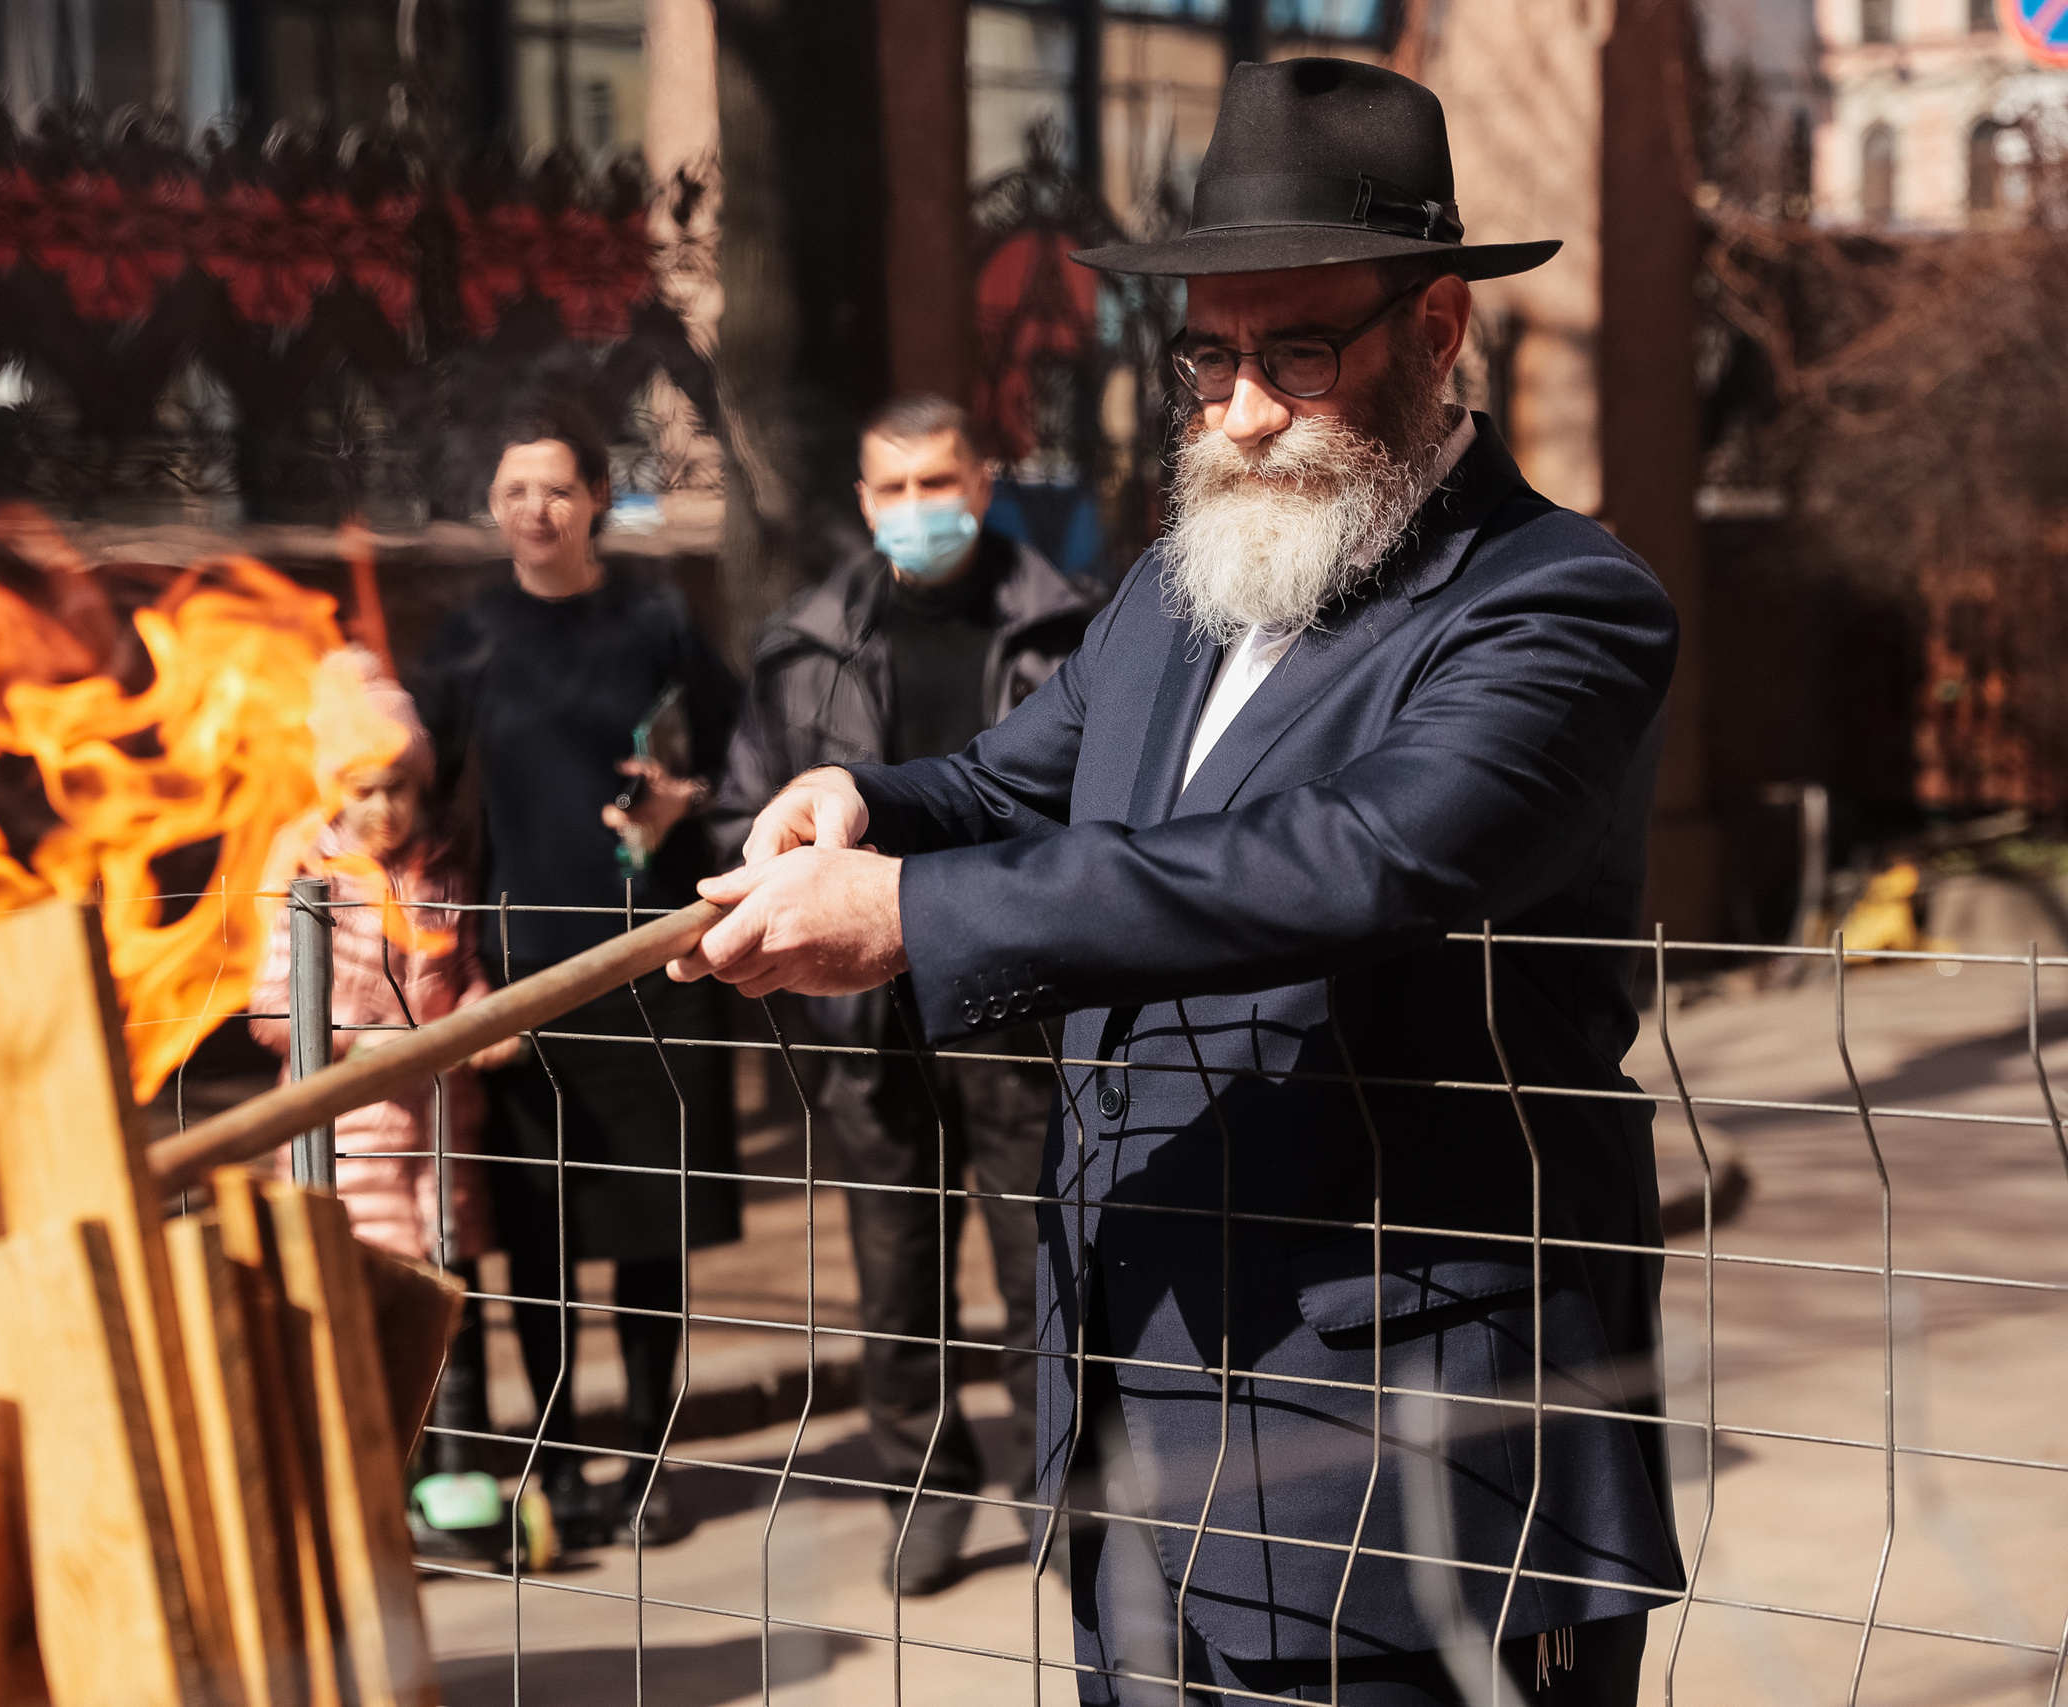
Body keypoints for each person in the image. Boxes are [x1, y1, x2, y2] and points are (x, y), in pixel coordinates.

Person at [675, 59, 1684, 1706]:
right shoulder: (1175, 585)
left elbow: (1364, 855)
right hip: (1138, 1421)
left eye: (1299, 354)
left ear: (1437, 330)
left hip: (1406, 1464)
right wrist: (862, 800)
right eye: (1209, 355)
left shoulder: (1558, 599)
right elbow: (1014, 778)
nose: (1242, 411)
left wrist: (916, 916)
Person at [708, 393, 1092, 1594]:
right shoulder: (802, 644)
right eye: (894, 488)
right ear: (864, 503)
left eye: (938, 483)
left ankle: (1056, 1489)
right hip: (865, 1022)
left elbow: (1102, 814)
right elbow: (746, 810)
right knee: (894, 1268)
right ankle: (923, 1489)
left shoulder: (1071, 633)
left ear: (982, 484)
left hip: (1018, 996)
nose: (918, 507)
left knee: (1042, 1260)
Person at [414, 398, 744, 1550]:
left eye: (557, 487)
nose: (536, 509)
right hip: (521, 979)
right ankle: (552, 1464)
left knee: (650, 1230)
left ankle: (646, 1464)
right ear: (491, 505)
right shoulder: (469, 640)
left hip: (650, 964)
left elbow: (737, 748)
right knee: (538, 1236)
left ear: (597, 497)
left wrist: (681, 804)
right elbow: (411, 784)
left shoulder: (653, 620)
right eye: (515, 490)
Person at [247, 646, 520, 1560]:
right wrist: (362, 1042)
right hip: (352, 1137)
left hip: (440, 1132)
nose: (384, 808)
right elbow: (274, 1007)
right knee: (365, 1319)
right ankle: (374, 1489)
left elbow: (463, 966)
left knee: (452, 1308)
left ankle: (461, 1479)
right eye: (363, 789)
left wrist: (483, 1017)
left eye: (399, 786)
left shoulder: (442, 863)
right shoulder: (310, 872)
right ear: (336, 790)